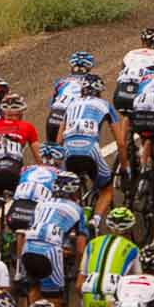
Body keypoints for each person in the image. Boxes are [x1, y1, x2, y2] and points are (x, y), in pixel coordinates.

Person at [59, 76, 128, 217]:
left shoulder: (71, 104)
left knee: (69, 189)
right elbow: (120, 143)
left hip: (68, 150)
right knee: (106, 190)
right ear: (99, 92)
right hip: (90, 149)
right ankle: (94, 222)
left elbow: (59, 140)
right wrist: (124, 167)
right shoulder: (105, 105)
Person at [18, 172, 89, 307]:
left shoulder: (41, 204)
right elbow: (80, 249)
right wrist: (80, 271)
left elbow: (24, 232)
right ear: (75, 192)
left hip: (28, 249)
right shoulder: (77, 209)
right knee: (54, 302)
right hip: (50, 252)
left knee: (34, 288)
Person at [113, 27, 154, 116]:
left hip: (121, 93)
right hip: (140, 94)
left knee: (126, 117)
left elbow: (122, 72)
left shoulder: (130, 53)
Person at [47, 52, 96, 144]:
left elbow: (52, 103)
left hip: (53, 116)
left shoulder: (61, 82)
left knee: (51, 150)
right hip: (69, 118)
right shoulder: (90, 82)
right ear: (88, 68)